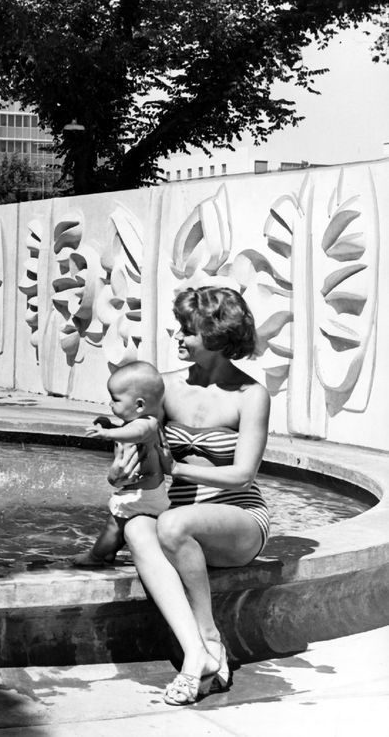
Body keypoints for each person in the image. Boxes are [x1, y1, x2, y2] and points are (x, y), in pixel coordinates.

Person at [120, 285, 271, 706]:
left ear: (217, 335)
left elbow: (243, 475)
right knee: (137, 527)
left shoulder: (251, 396)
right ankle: (196, 653)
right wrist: (124, 469)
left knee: (172, 522)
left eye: (187, 330)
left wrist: (176, 467)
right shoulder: (164, 388)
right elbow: (140, 449)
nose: (177, 337)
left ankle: (208, 634)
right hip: (180, 518)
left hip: (237, 519)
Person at [70, 361, 172, 568]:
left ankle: (95, 557)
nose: (110, 404)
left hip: (141, 492)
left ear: (140, 405)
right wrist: (109, 425)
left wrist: (108, 433)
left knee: (113, 525)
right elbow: (127, 430)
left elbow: (135, 433)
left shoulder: (148, 424)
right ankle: (109, 553)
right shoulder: (136, 421)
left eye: (115, 400)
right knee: (121, 522)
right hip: (146, 489)